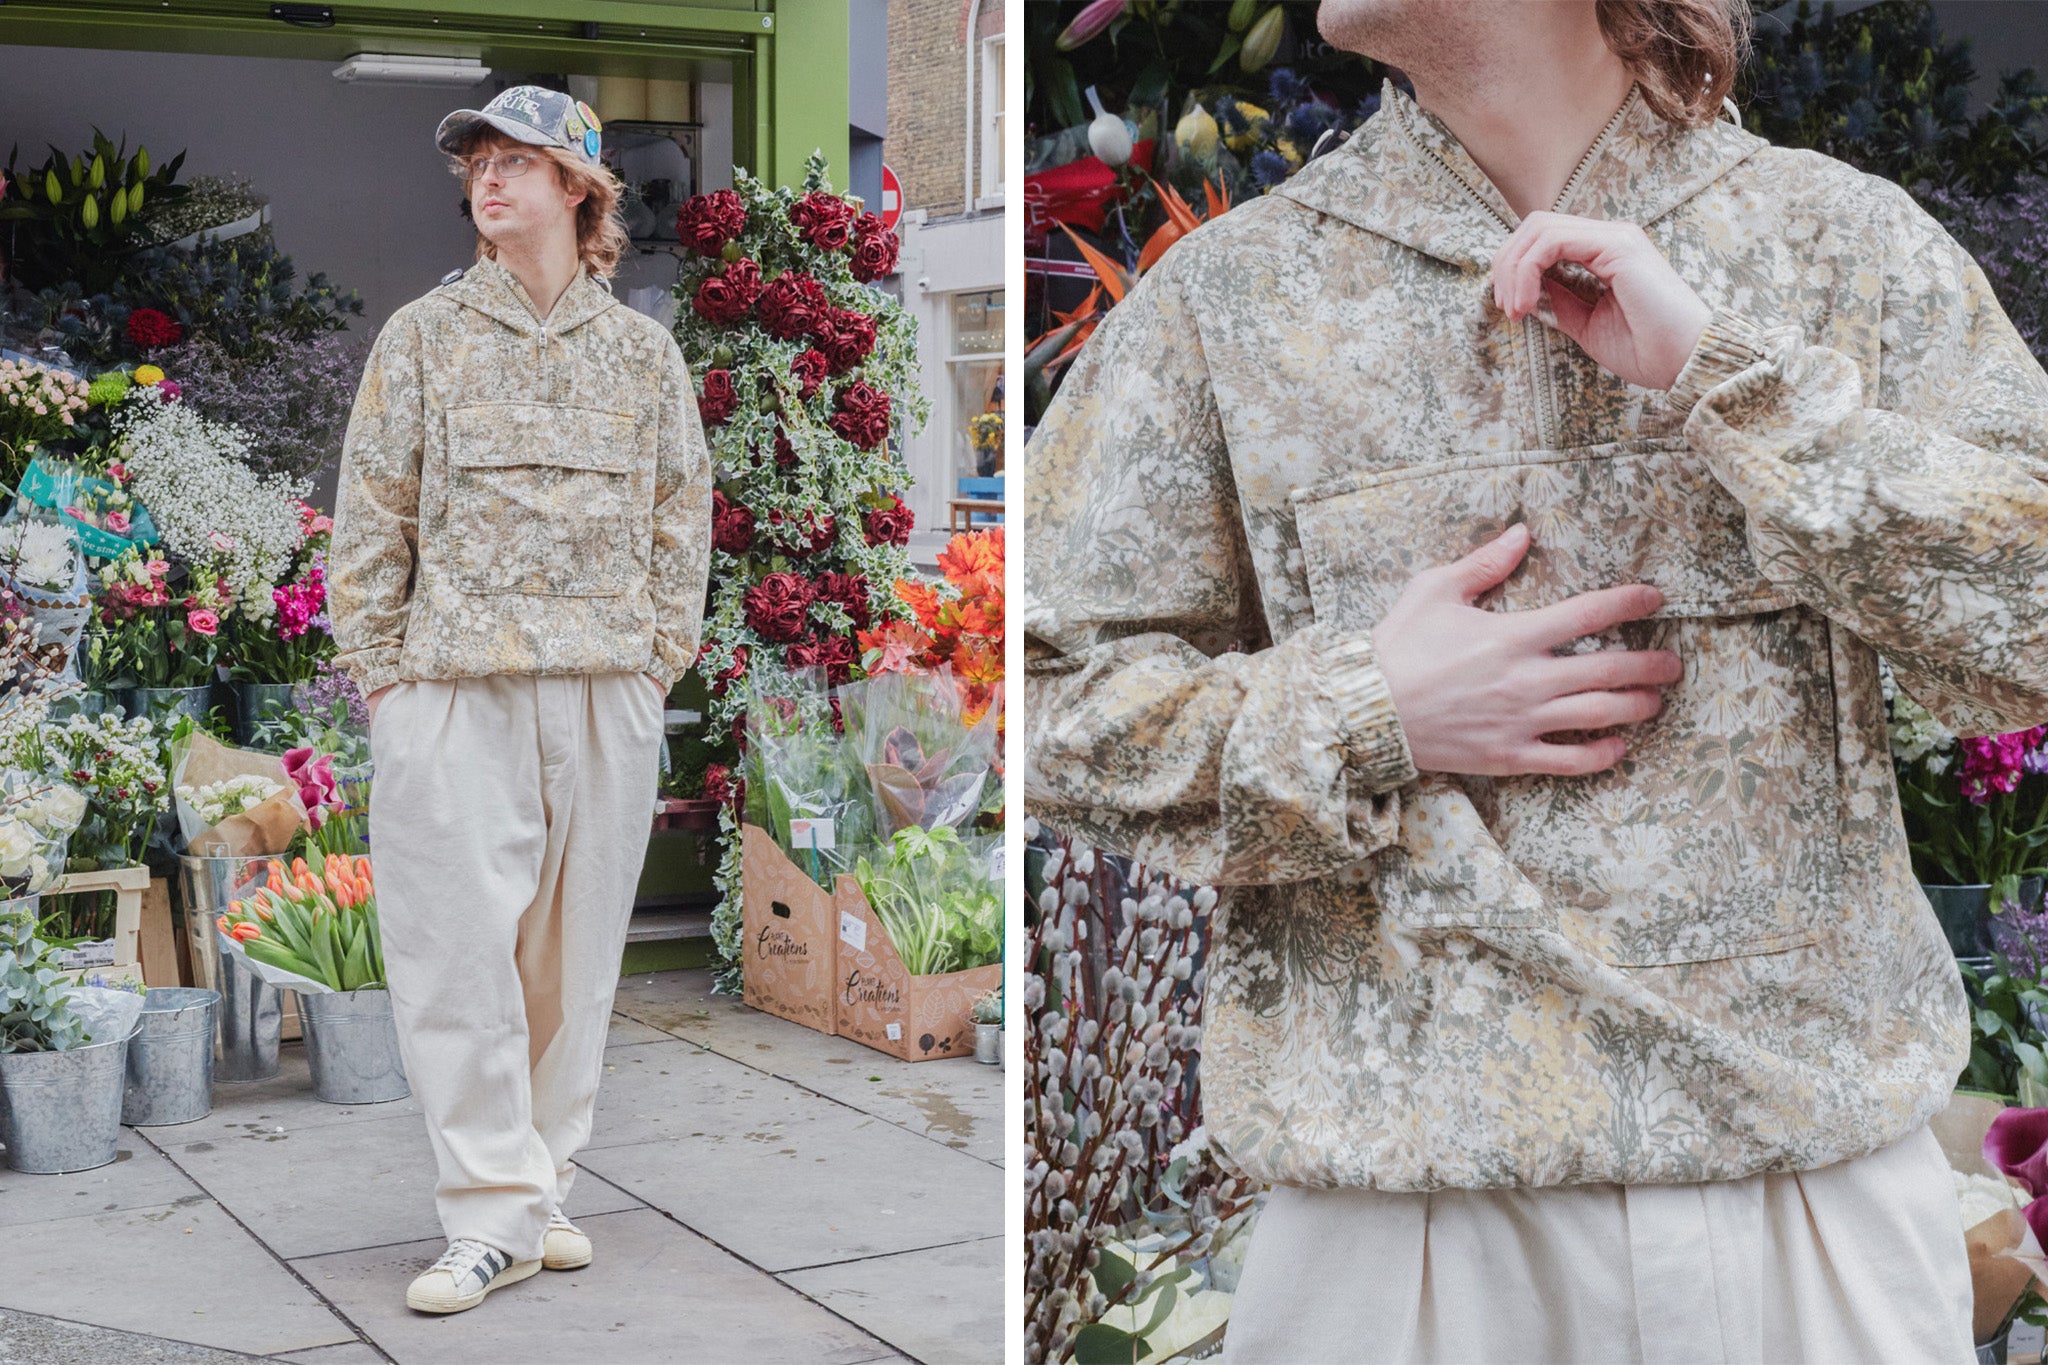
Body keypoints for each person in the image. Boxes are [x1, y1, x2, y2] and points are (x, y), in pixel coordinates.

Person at [1022, 1, 2048, 1360]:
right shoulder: (1236, 299)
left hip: (1804, 1210)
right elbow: (1048, 689)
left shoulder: (1839, 247)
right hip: (1406, 1240)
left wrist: (1725, 381)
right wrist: (1364, 713)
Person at [328, 84, 711, 1315]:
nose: (488, 182)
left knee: (573, 965)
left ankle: (539, 1187)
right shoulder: (424, 337)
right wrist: (384, 677)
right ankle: (486, 1215)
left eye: (518, 162)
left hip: (602, 690)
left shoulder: (642, 352)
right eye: (478, 164)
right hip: (452, 688)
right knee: (457, 963)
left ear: (578, 190)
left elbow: (679, 516)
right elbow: (369, 515)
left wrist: (655, 663)